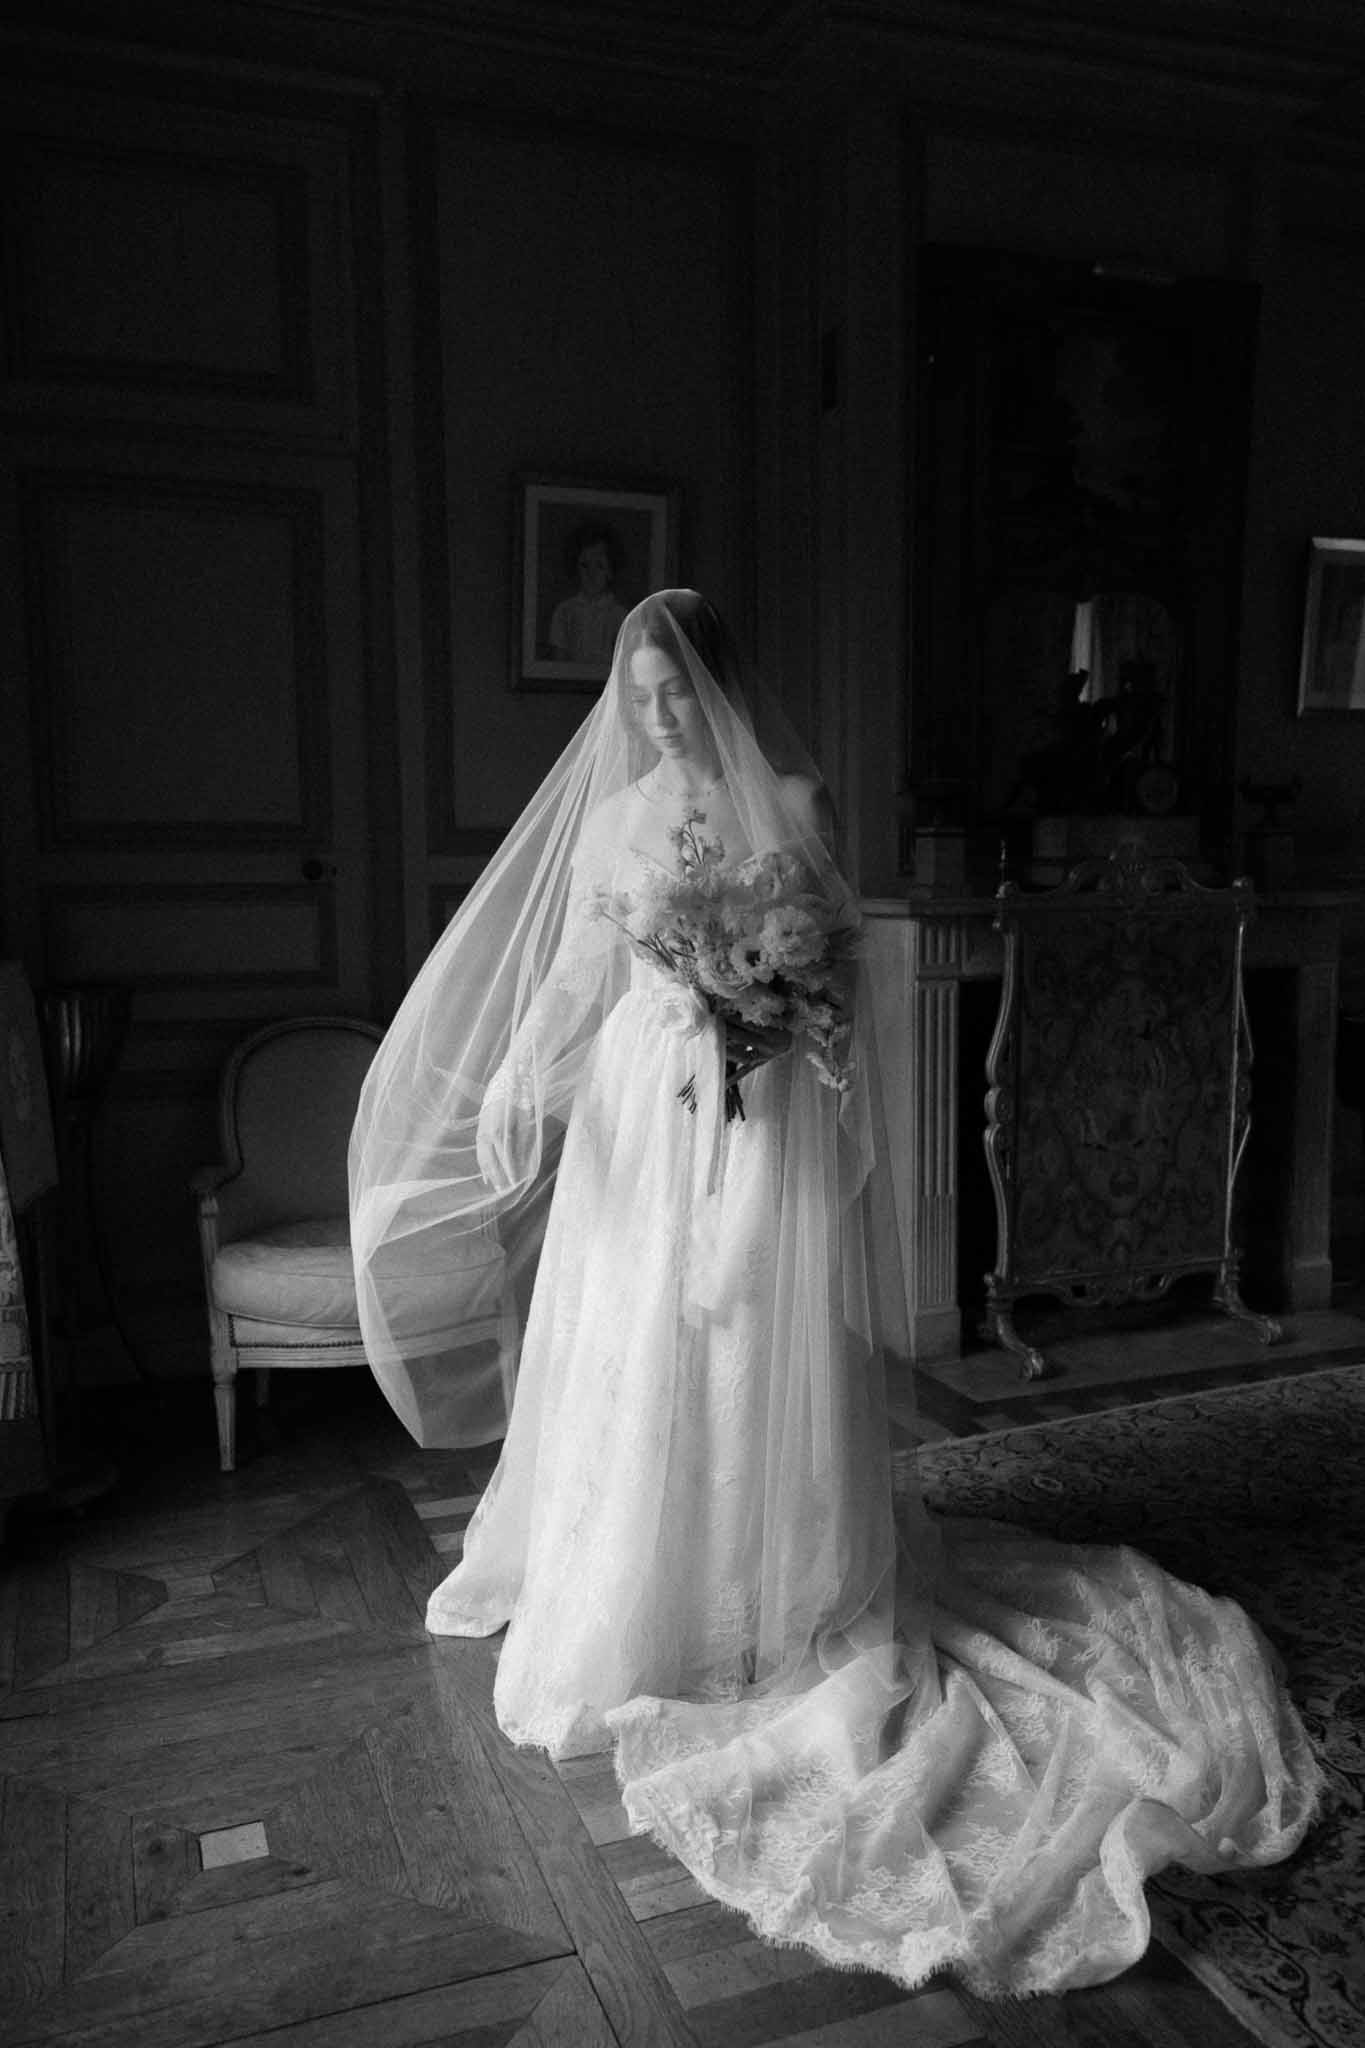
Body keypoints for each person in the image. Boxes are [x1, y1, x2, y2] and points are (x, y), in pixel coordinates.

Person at [350, 590, 1321, 1997]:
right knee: (632, 1342)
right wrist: (519, 1076)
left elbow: (838, 984)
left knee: (741, 1343)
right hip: (642, 1103)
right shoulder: (617, 821)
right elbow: (574, 970)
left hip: (751, 1107)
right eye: (638, 691)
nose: (658, 713)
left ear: (720, 688)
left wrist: (770, 1018)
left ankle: (756, 1587)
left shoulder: (791, 798)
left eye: (677, 689)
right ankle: (635, 1587)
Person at [547, 523, 628, 666]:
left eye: (600, 566)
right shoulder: (565, 611)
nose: (592, 574)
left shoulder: (620, 615)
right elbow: (558, 661)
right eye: (585, 565)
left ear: (610, 571)